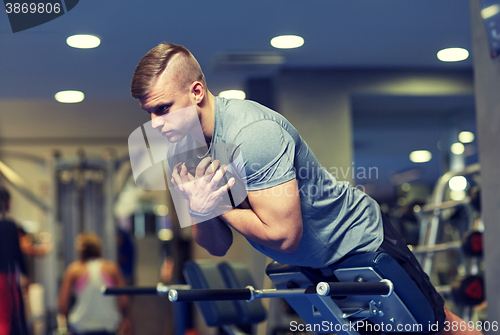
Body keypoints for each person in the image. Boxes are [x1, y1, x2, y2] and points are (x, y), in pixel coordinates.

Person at [130, 43, 481, 335]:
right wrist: (202, 209)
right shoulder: (183, 151)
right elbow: (217, 244)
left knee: (436, 327)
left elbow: (284, 236)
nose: (155, 125)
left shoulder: (253, 135)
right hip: (311, 261)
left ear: (196, 92)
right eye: (149, 113)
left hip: (356, 239)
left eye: (163, 109)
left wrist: (217, 207)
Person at [58, 233, 130, 335]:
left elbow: (62, 304)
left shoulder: (74, 270)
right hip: (108, 325)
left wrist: (66, 321)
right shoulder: (112, 268)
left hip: (80, 326)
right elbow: (124, 300)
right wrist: (125, 318)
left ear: (80, 250)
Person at [0, 186, 29, 335]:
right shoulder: (9, 226)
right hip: (5, 277)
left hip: (5, 277)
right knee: (8, 318)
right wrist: (26, 274)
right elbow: (17, 254)